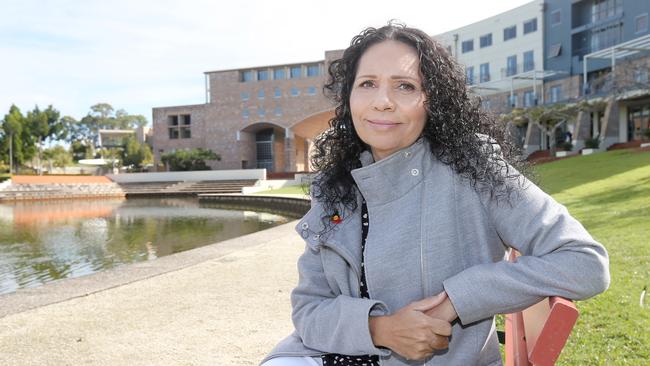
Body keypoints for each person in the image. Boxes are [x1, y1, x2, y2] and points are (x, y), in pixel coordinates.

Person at [261, 23, 609, 366]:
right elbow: (309, 309)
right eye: (367, 83)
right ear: (349, 96)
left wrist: (457, 300)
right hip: (336, 353)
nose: (382, 102)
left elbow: (584, 261)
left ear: (432, 101)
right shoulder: (333, 189)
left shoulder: (473, 169)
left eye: (405, 86)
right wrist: (380, 329)